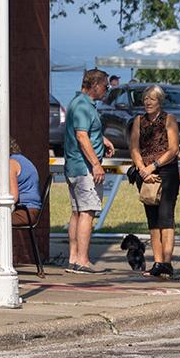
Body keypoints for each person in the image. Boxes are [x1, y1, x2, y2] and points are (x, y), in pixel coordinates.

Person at [126, 85, 180, 278]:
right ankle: (157, 262)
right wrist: (142, 170)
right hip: (145, 175)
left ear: (160, 101)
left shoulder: (169, 119)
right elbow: (134, 147)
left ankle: (166, 262)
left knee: (166, 217)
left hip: (166, 172)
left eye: (152, 99)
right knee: (152, 220)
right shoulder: (138, 121)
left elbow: (173, 149)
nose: (148, 102)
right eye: (145, 99)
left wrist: (153, 166)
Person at [62, 69, 110, 273]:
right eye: (105, 86)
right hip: (83, 169)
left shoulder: (76, 102)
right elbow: (82, 136)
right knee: (87, 213)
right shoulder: (83, 105)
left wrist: (102, 139)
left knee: (77, 212)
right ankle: (82, 260)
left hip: (73, 166)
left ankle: (73, 258)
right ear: (96, 85)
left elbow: (85, 131)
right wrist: (96, 165)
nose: (107, 90)